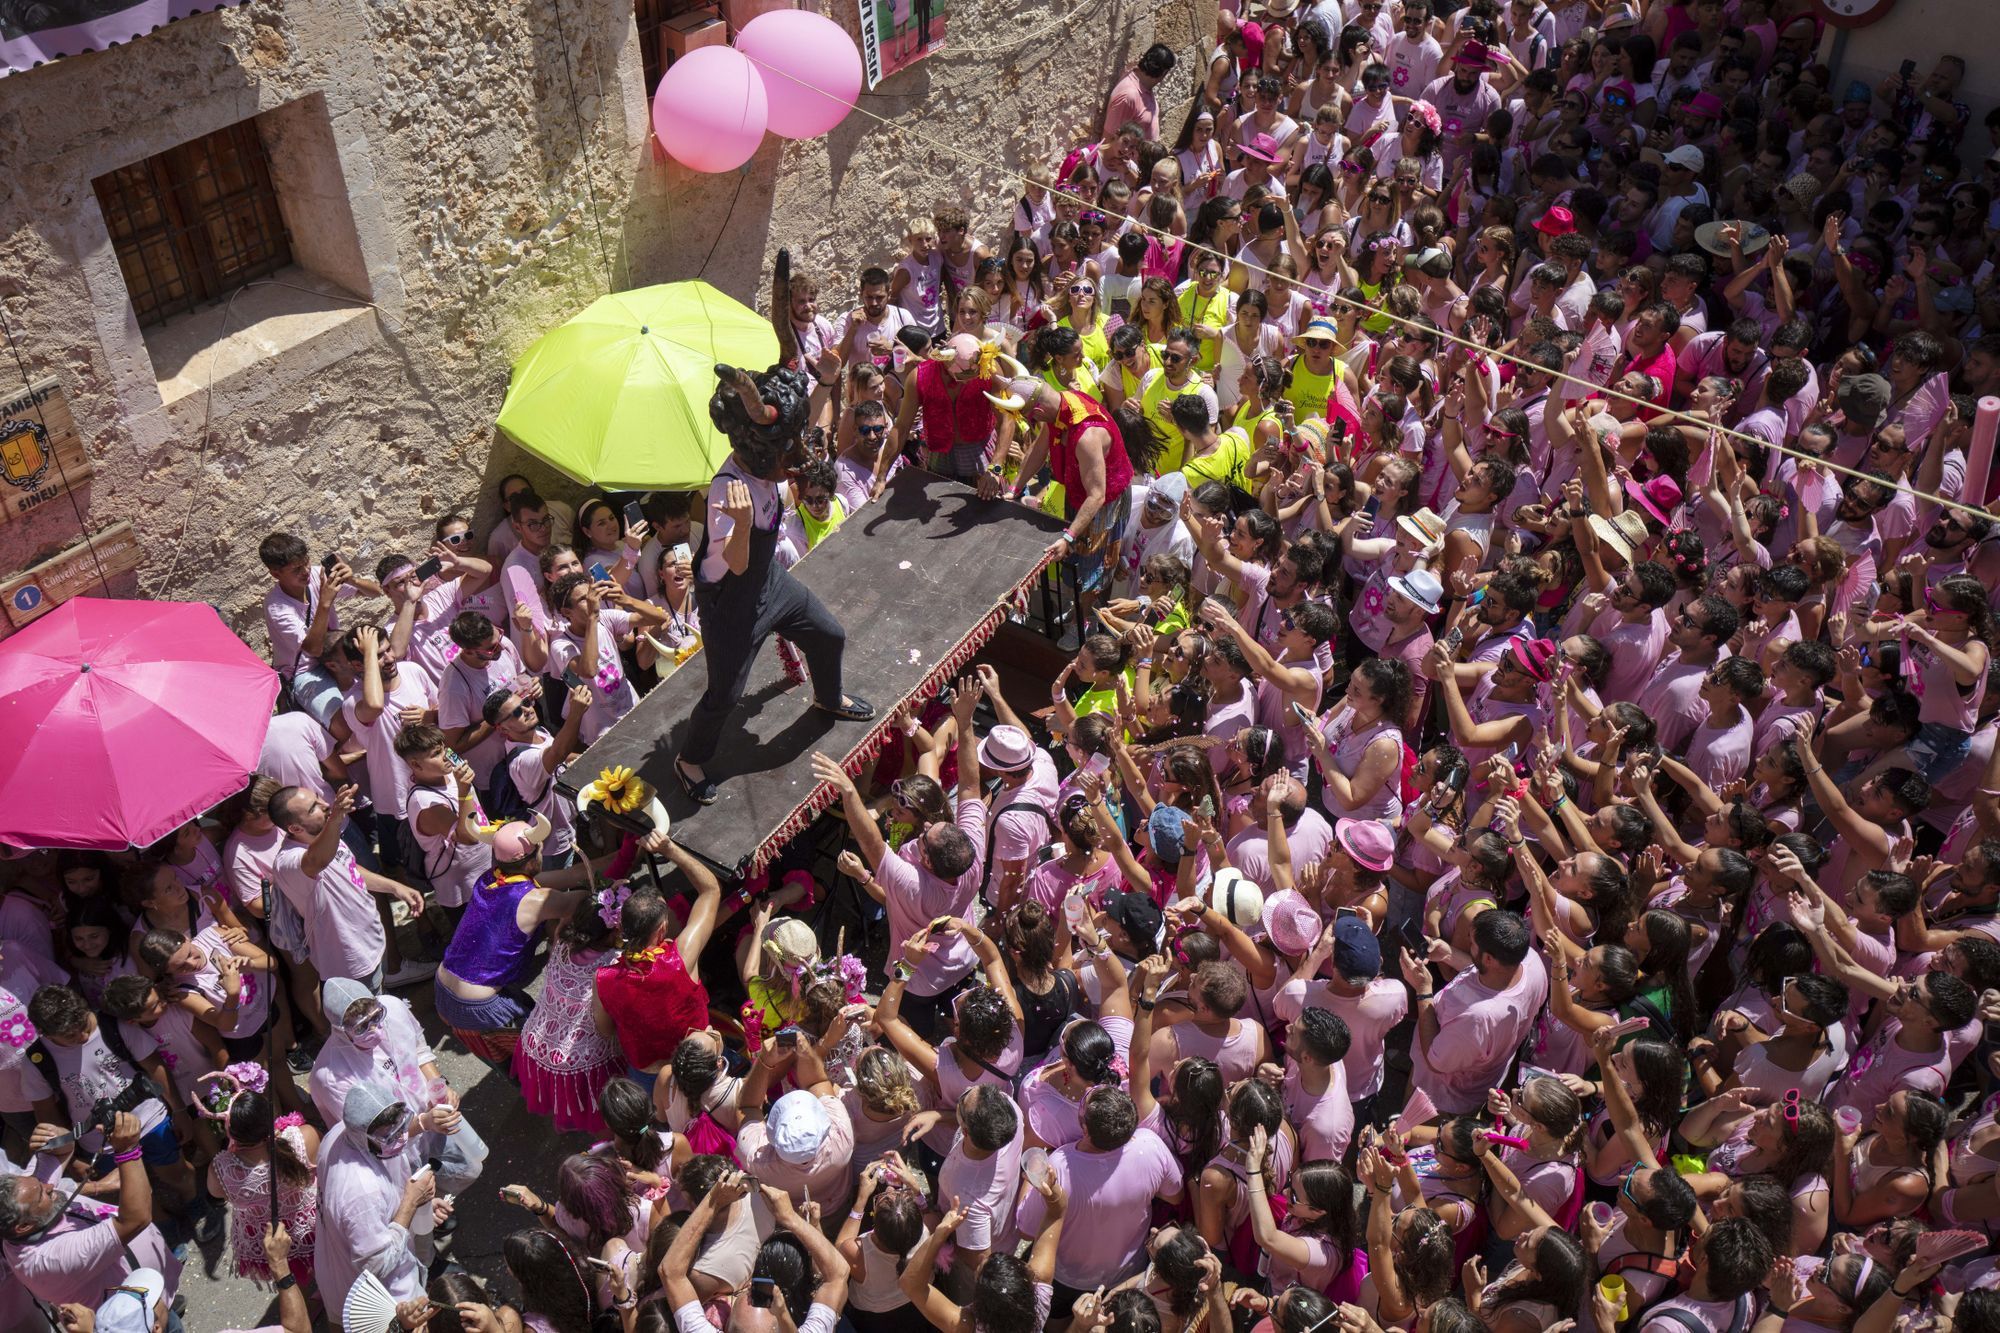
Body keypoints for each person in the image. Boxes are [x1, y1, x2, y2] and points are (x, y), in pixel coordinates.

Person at [673, 365, 874, 805]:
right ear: (759, 447)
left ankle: (828, 696)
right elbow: (737, 564)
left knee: (829, 634)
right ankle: (688, 760)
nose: (797, 452)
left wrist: (824, 381)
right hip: (732, 605)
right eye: (786, 446)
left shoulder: (769, 466)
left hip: (770, 581)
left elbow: (796, 421)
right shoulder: (727, 491)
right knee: (724, 695)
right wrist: (742, 524)